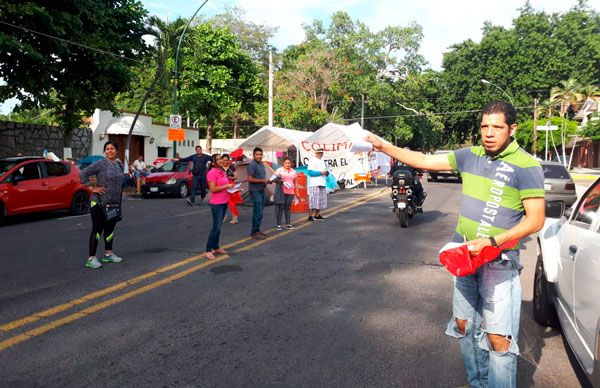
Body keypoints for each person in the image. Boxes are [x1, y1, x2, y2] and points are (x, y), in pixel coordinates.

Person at [367, 101, 545, 387]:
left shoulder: (526, 165)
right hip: (464, 256)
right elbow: (424, 161)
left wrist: (491, 241)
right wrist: (383, 146)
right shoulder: (469, 155)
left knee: (498, 337)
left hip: (498, 262)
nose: (489, 133)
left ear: (512, 129)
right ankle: (478, 382)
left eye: (497, 127)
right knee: (464, 325)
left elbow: (535, 220)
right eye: (484, 126)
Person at [80, 141, 127, 269]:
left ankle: (108, 254)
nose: (110, 151)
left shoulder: (119, 165)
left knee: (110, 229)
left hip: (113, 204)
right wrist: (91, 188)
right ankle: (91, 258)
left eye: (112, 149)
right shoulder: (100, 164)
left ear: (116, 151)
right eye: (107, 149)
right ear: (104, 151)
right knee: (97, 229)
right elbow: (83, 173)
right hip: (99, 203)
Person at [205, 154, 233, 260]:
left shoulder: (222, 171)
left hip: (224, 201)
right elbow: (213, 189)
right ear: (213, 162)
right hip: (216, 203)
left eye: (221, 158)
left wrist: (232, 189)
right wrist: (226, 186)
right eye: (218, 159)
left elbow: (224, 186)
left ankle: (216, 247)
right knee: (216, 227)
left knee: (219, 226)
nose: (221, 160)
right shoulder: (212, 173)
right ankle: (208, 249)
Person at [247, 147, 274, 240]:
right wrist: (263, 180)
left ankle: (257, 230)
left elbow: (263, 179)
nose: (259, 156)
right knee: (257, 211)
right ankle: (254, 232)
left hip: (262, 190)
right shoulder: (252, 165)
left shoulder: (262, 165)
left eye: (260, 154)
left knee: (260, 211)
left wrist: (268, 187)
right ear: (253, 155)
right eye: (257, 154)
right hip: (255, 191)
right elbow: (250, 179)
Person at [273, 157, 298, 230]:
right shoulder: (279, 170)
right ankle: (278, 225)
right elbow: (274, 179)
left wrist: (296, 192)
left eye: (289, 163)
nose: (288, 164)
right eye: (286, 163)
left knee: (288, 208)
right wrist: (280, 180)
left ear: (291, 164)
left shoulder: (293, 171)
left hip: (290, 192)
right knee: (280, 208)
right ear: (283, 163)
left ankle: (288, 224)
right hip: (281, 191)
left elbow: (295, 181)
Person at [306, 147, 329, 222]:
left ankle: (317, 214)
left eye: (321, 152)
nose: (320, 154)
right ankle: (310, 216)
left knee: (320, 199)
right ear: (315, 153)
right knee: (313, 200)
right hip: (314, 183)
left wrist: (327, 173)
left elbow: (326, 171)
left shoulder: (323, 161)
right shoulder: (312, 160)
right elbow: (310, 173)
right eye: (319, 153)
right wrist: (320, 173)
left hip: (322, 182)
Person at [221, 153, 241, 224]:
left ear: (229, 160)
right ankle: (223, 216)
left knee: (231, 203)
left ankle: (235, 218)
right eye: (224, 160)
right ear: (221, 160)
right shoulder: (220, 168)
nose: (225, 162)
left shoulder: (232, 167)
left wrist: (230, 178)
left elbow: (236, 177)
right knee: (222, 203)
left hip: (231, 186)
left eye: (227, 160)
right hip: (222, 187)